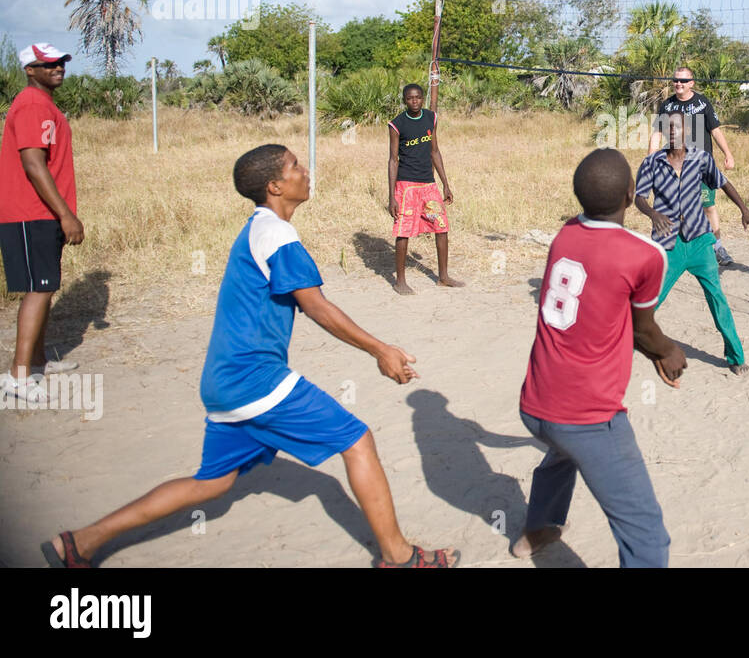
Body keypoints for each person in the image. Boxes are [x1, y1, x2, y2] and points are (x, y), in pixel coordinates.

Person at [41, 145, 458, 568]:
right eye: (296, 166)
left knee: (212, 484)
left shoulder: (258, 228)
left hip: (223, 382)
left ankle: (80, 542)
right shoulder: (277, 234)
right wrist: (380, 349)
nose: (306, 171)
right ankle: (399, 557)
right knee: (357, 440)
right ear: (275, 186)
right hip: (254, 379)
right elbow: (316, 306)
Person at [513, 148, 688, 567]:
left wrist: (652, 349)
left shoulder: (565, 234)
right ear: (632, 194)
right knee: (647, 538)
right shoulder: (645, 254)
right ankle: (541, 529)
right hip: (588, 416)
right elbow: (643, 327)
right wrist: (668, 351)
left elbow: (608, 307)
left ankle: (537, 530)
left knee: (560, 451)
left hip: (536, 403)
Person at [636, 111, 749, 375]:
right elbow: (639, 197)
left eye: (677, 128)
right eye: (667, 128)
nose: (672, 133)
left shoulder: (701, 158)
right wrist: (652, 213)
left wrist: (745, 211)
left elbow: (723, 183)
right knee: (651, 299)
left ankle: (736, 357)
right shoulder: (652, 162)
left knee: (717, 299)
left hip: (700, 241)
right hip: (668, 243)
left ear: (687, 132)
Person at [0, 44, 84, 404]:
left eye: (61, 61)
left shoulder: (44, 104)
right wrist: (65, 214)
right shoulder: (33, 104)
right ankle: (18, 377)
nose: (58, 67)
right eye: (47, 64)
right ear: (29, 70)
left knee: (45, 287)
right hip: (30, 212)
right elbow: (33, 163)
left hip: (41, 213)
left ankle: (37, 363)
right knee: (38, 289)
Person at [647, 67, 738, 266]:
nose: (678, 84)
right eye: (675, 80)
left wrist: (728, 154)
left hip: (701, 166)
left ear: (691, 83)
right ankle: (668, 249)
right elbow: (656, 134)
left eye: (683, 80)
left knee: (708, 207)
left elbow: (715, 130)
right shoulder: (667, 105)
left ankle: (718, 247)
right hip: (675, 167)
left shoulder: (702, 102)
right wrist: (650, 159)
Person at [388, 82, 462, 294]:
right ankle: (400, 281)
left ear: (423, 98)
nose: (415, 101)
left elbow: (435, 151)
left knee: (441, 227)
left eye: (418, 97)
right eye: (410, 98)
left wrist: (445, 183)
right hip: (406, 185)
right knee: (403, 232)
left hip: (428, 184)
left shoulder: (431, 118)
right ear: (404, 100)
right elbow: (393, 160)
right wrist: (392, 195)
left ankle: (443, 276)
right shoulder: (396, 124)